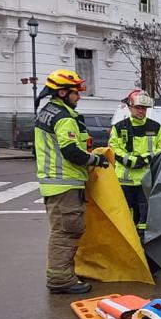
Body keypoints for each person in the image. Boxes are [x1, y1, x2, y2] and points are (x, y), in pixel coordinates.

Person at [34, 69, 109, 294]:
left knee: (62, 230)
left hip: (55, 183)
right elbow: (72, 152)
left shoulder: (47, 112)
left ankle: (63, 274)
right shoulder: (63, 117)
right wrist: (96, 159)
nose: (79, 97)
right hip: (64, 184)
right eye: (75, 93)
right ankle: (60, 279)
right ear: (63, 92)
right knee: (67, 232)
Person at [108, 89, 161, 239]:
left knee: (145, 215)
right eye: (138, 108)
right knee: (127, 214)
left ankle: (144, 242)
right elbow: (114, 147)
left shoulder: (156, 127)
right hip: (125, 181)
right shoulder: (119, 127)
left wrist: (145, 159)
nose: (141, 111)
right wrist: (130, 160)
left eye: (144, 108)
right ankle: (129, 241)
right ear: (130, 107)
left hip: (146, 180)